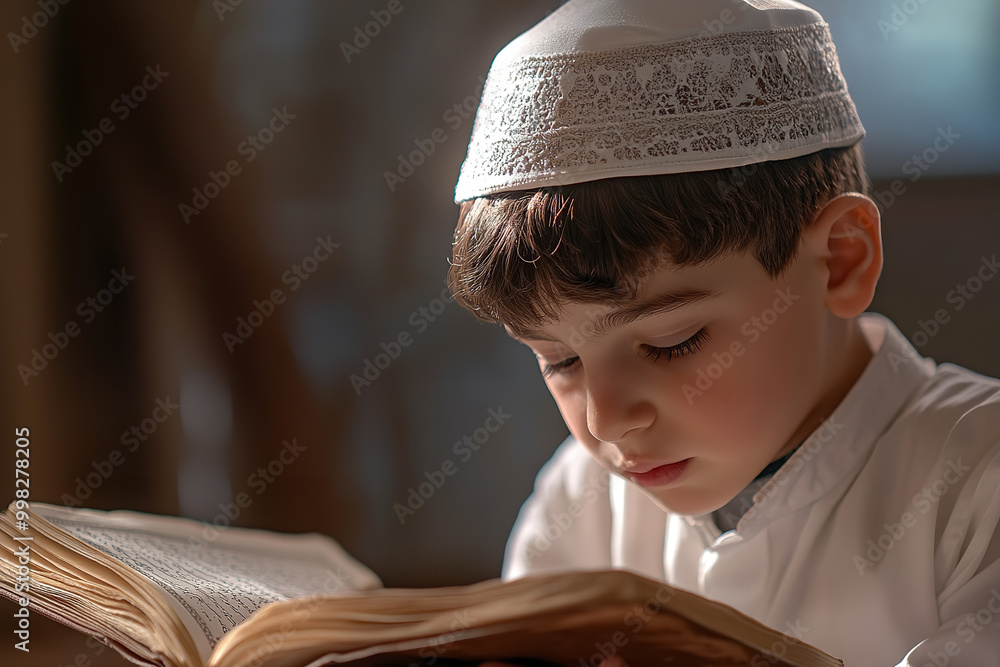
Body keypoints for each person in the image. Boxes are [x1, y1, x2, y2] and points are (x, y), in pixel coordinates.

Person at [448, 0, 1000, 665]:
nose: (608, 420)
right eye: (559, 360)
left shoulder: (977, 483)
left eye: (671, 342)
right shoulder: (583, 499)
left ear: (841, 260)